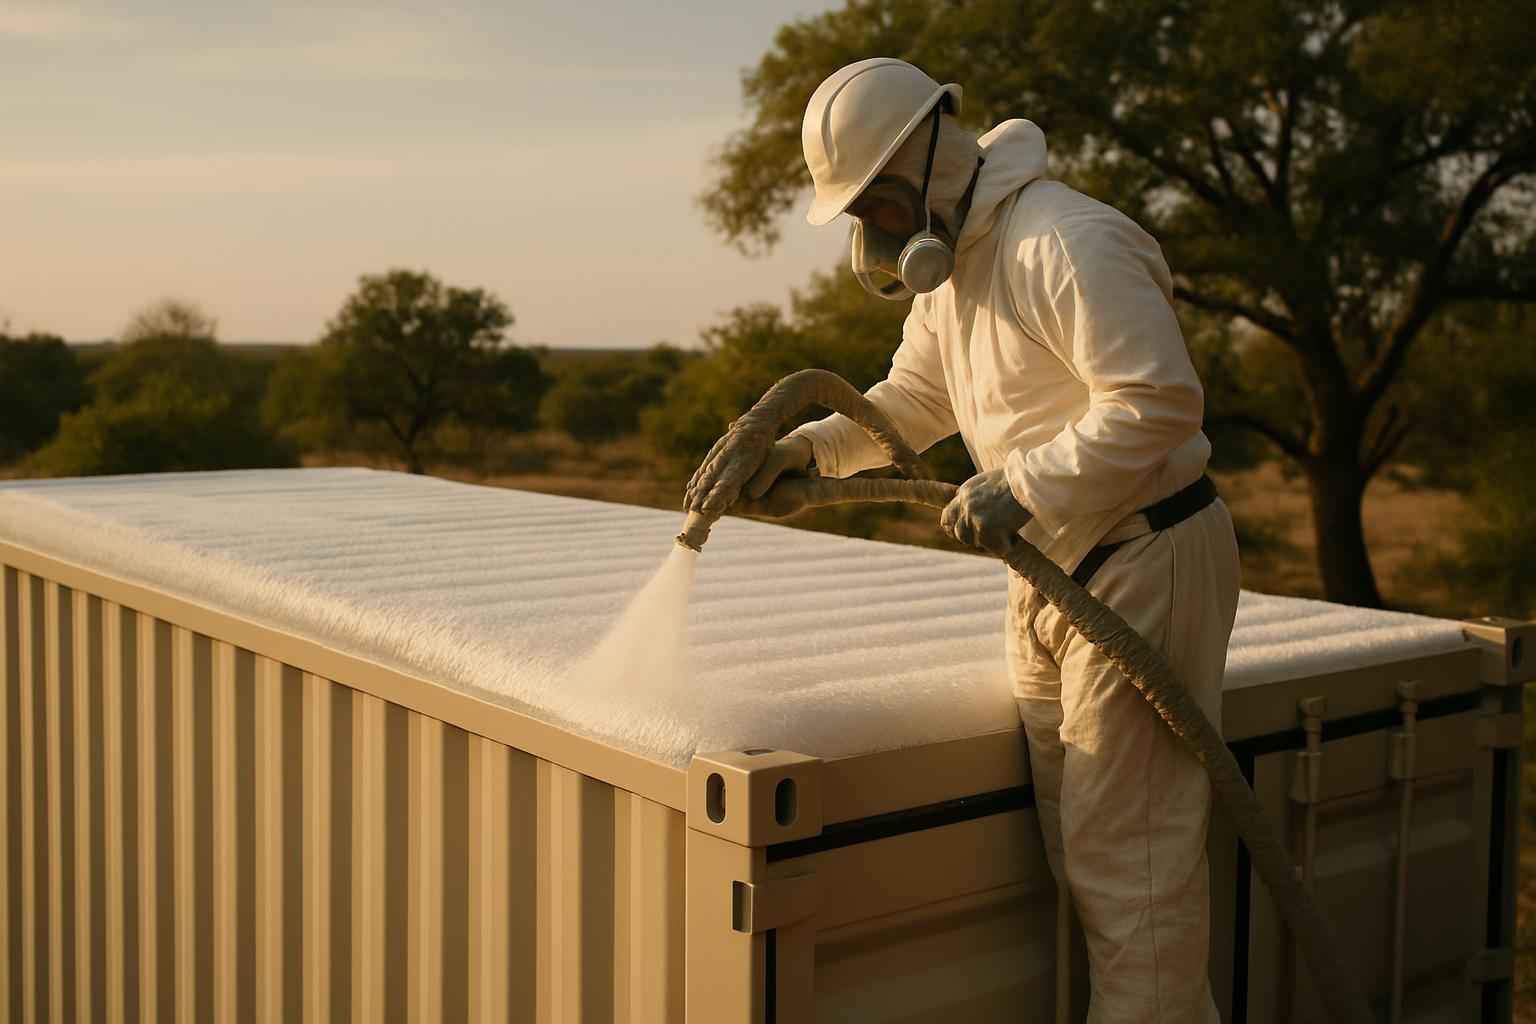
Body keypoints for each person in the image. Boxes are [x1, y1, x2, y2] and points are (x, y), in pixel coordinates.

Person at [742, 57, 1242, 1022]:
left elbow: (1161, 402)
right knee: (1083, 851)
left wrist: (1024, 483)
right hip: (1053, 571)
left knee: (1130, 874)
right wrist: (809, 455)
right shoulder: (956, 270)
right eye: (861, 218)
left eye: (878, 207)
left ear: (930, 159)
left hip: (1140, 557)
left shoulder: (1068, 241)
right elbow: (912, 403)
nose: (875, 234)